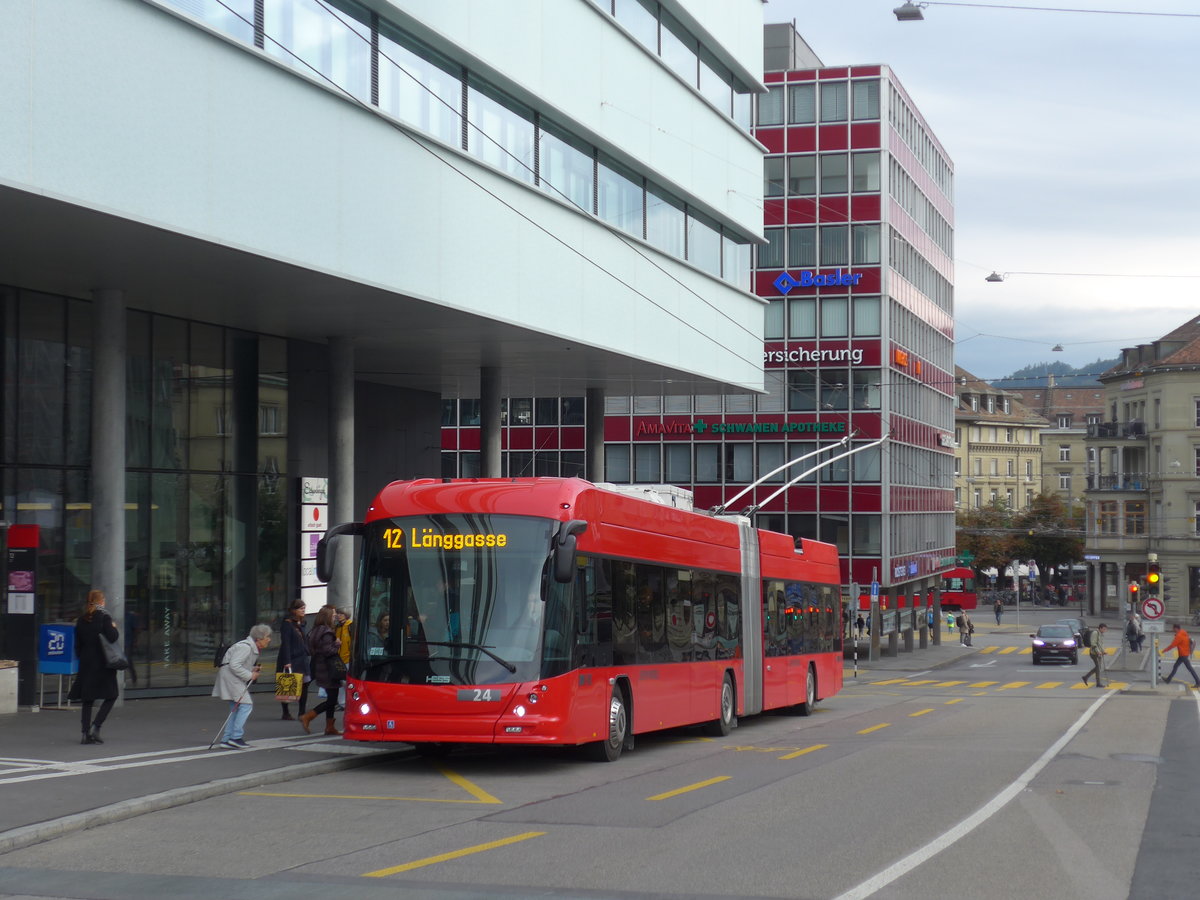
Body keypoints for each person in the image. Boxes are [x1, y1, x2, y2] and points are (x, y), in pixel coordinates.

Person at [67, 589, 121, 745]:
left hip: (86, 662)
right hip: (103, 663)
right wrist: (113, 626)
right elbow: (112, 637)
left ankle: (85, 733)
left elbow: (77, 644)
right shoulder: (104, 617)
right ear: (101, 601)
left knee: (87, 699)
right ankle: (96, 726)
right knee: (112, 695)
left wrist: (83, 656)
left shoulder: (82, 619)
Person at [213, 624, 273, 749]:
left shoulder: (248, 646)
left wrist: (252, 668)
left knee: (235, 709)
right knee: (246, 705)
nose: (269, 639)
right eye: (267, 637)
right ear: (259, 638)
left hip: (229, 677)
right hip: (231, 679)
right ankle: (235, 738)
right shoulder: (246, 647)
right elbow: (234, 665)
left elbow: (236, 663)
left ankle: (227, 739)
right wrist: (250, 674)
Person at [300, 605, 343, 736]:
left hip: (319, 666)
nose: (335, 617)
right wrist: (337, 644)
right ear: (328, 616)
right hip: (328, 669)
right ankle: (308, 716)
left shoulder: (315, 630)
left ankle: (329, 727)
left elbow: (312, 649)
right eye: (333, 614)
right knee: (332, 699)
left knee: (332, 697)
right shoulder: (327, 632)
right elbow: (328, 651)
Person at [276, 598, 310, 721]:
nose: (303, 611)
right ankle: (285, 712)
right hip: (291, 658)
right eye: (301, 609)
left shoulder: (302, 623)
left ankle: (302, 712)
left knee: (305, 684)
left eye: (304, 608)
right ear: (294, 610)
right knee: (287, 684)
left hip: (302, 658)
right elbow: (286, 643)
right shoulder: (287, 623)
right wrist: (287, 661)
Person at [1159, 623, 1200, 687]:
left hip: (1183, 655)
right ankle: (1168, 680)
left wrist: (1164, 651)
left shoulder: (1179, 636)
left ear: (1176, 628)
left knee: (1189, 669)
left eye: (1173, 628)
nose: (1172, 629)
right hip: (1185, 653)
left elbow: (1172, 645)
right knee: (1177, 666)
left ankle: (1198, 682)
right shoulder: (1183, 631)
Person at [334, 606, 354, 711]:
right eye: (337, 614)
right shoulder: (337, 627)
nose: (338, 616)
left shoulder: (350, 625)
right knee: (341, 682)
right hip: (339, 658)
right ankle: (342, 703)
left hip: (348, 658)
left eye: (340, 614)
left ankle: (346, 703)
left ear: (346, 615)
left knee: (346, 682)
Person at [1081, 622, 1108, 688]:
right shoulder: (1095, 633)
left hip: (1099, 653)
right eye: (1104, 629)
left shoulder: (1100, 634)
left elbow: (1100, 644)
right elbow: (1093, 644)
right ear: (1100, 628)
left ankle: (1086, 677)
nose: (1105, 630)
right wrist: (1098, 652)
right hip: (1094, 653)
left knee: (1098, 667)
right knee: (1098, 667)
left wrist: (1103, 651)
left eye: (1105, 629)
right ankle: (1098, 683)